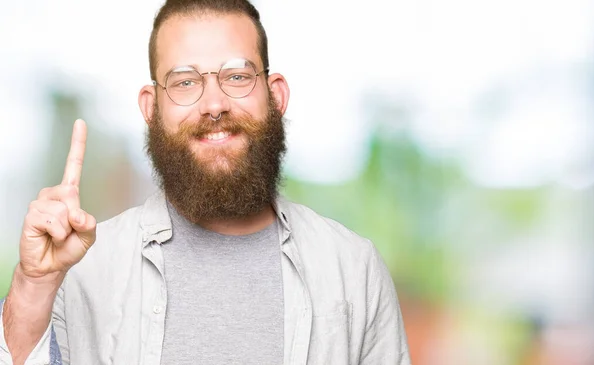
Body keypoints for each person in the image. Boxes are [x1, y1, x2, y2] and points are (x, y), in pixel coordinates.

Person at [0, 0, 411, 364]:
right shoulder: (82, 270)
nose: (214, 105)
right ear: (151, 107)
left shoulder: (353, 270)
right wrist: (32, 284)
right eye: (184, 82)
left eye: (236, 76)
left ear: (276, 95)